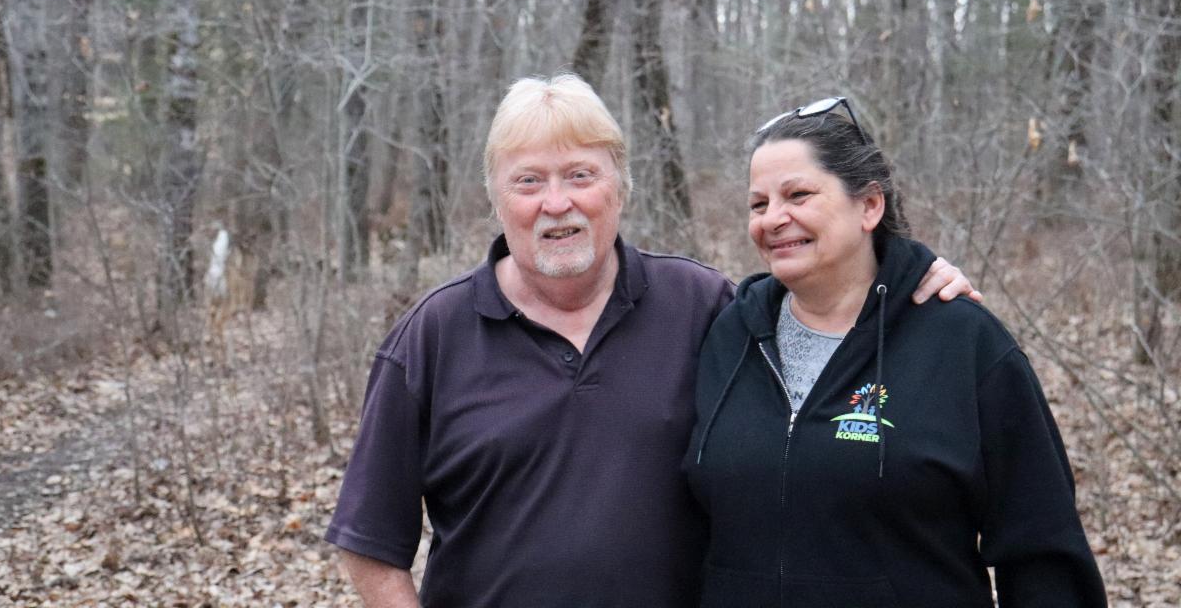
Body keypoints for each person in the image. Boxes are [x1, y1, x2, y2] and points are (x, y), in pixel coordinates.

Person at [326, 76, 977, 608]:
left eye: (582, 175)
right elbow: (369, 540)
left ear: (620, 187)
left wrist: (912, 277)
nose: (558, 203)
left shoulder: (704, 307)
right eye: (529, 181)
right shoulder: (432, 337)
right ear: (497, 197)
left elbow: (830, 306)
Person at [685, 98, 1106, 607]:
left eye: (798, 194)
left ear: (869, 206)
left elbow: (1044, 554)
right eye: (758, 204)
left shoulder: (960, 341)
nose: (774, 218)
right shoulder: (730, 336)